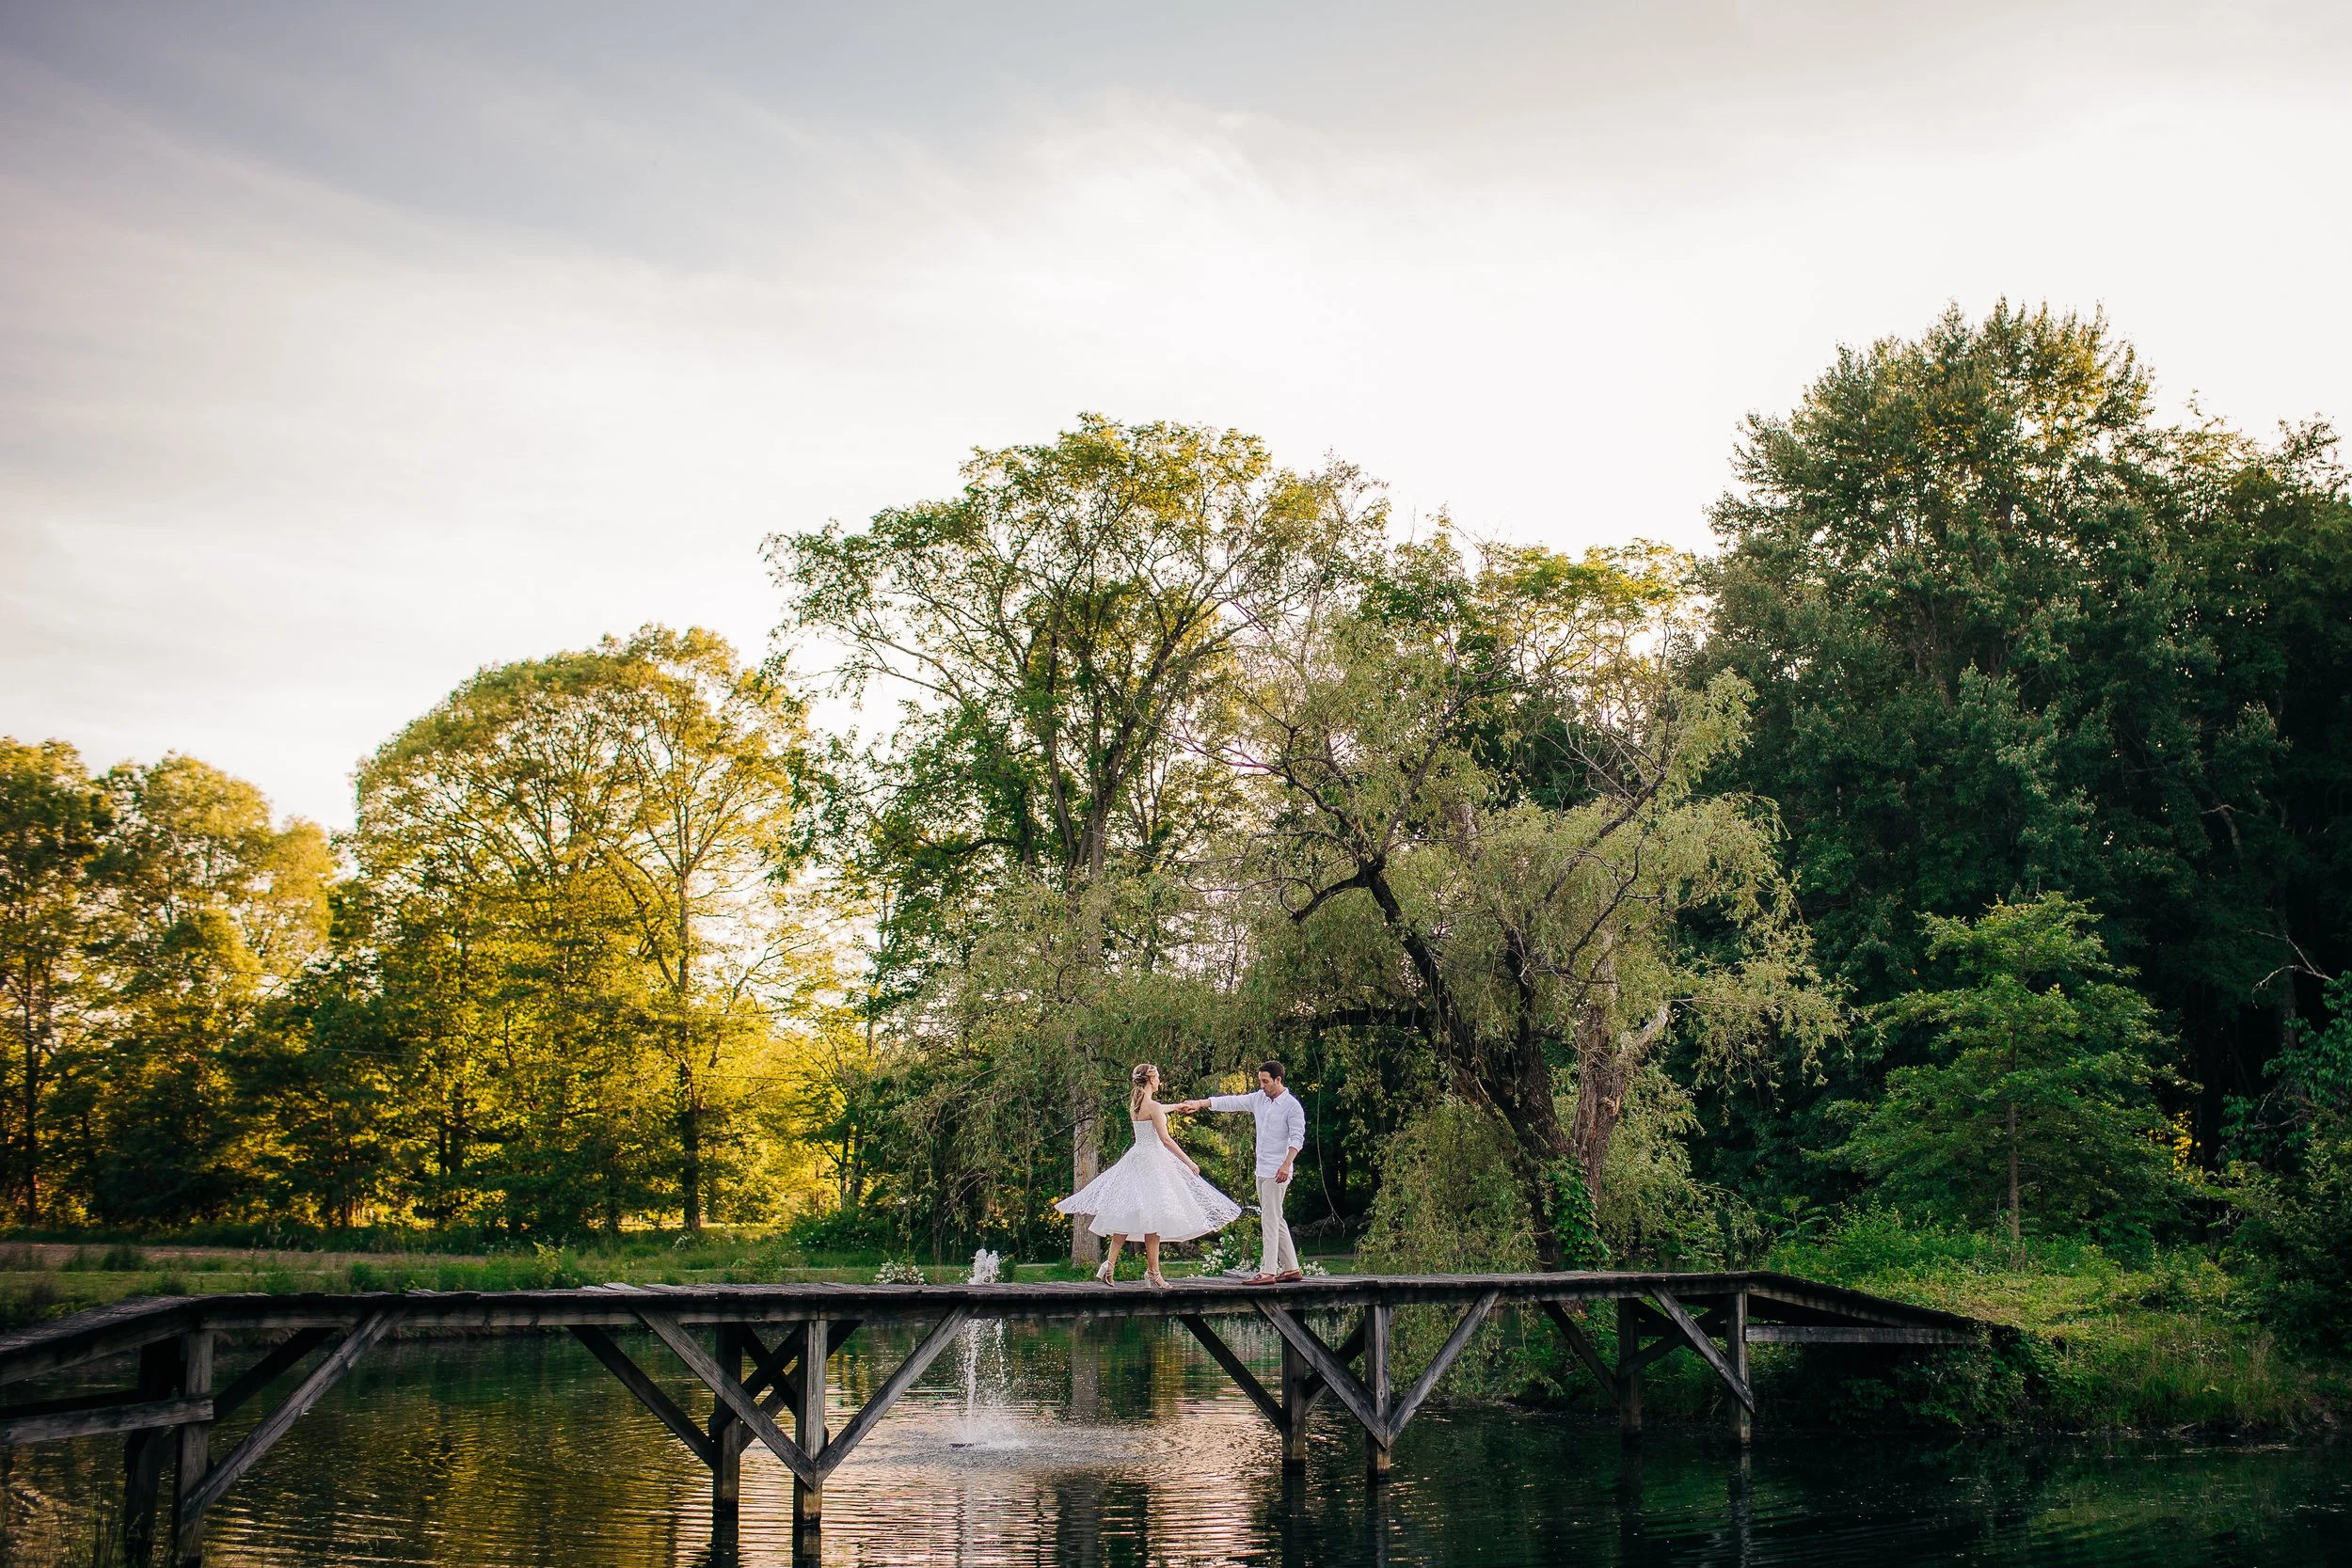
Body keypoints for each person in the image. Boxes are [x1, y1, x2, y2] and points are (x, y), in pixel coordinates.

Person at [1057, 1064, 1242, 1288]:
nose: (1160, 1080)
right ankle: (1153, 1272)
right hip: (1152, 1160)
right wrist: (1189, 1161)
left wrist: (1178, 1107)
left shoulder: (1136, 1104)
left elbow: (1159, 1109)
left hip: (1137, 1158)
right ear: (1151, 1080)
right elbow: (1165, 1139)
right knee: (1154, 1216)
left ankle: (1109, 1265)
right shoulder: (1152, 1106)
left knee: (1125, 1215)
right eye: (1158, 1077)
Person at [1177, 1060, 1307, 1283]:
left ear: (1278, 1080)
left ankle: (1268, 1271)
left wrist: (1286, 1165)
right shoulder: (1259, 1099)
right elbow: (1232, 1102)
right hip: (1262, 1170)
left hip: (1278, 1170)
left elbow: (1297, 1138)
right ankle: (1292, 1268)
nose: (1262, 1085)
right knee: (1275, 1217)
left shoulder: (1291, 1106)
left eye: (1265, 1081)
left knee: (1269, 1219)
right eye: (1260, 1081)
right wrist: (1200, 1103)